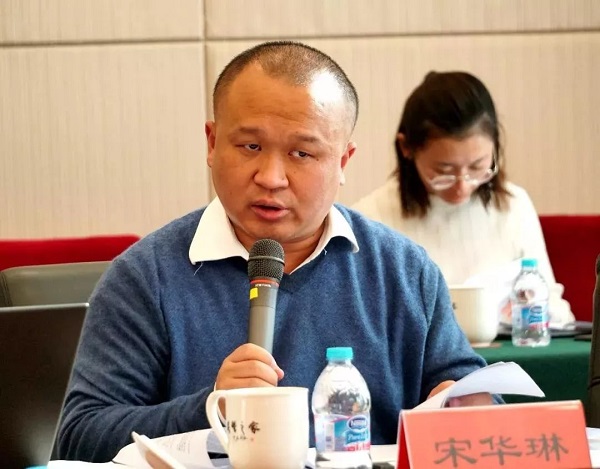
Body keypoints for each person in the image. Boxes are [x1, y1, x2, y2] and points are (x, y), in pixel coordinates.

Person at [54, 43, 493, 463]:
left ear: (343, 161)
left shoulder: (404, 271)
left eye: (302, 153)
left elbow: (472, 400)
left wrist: (467, 408)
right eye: (250, 146)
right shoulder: (144, 277)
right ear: (211, 143)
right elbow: (78, 438)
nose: (271, 177)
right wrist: (210, 410)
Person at [353, 71, 574, 327]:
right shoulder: (370, 218)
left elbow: (558, 310)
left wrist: (532, 307)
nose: (462, 186)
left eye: (477, 167)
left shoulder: (513, 205)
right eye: (443, 171)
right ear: (406, 148)